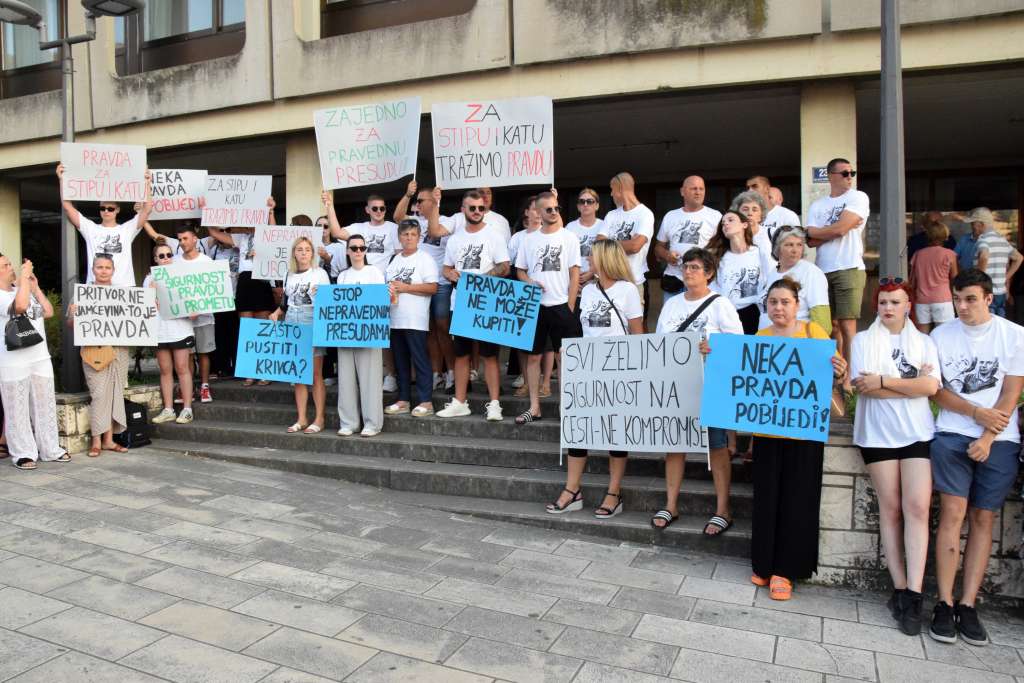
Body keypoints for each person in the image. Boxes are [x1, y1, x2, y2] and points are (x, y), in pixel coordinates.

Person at [928, 269, 1024, 646]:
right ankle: (943, 602)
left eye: (969, 299)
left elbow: (1011, 393)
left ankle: (968, 604)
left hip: (999, 439)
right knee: (952, 512)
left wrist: (987, 436)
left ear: (988, 297)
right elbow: (937, 391)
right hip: (952, 433)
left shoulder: (1013, 335)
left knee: (983, 517)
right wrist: (974, 415)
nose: (962, 306)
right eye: (957, 298)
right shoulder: (940, 335)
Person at [850, 279, 941, 635]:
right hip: (877, 436)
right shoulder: (862, 340)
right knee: (890, 510)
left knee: (916, 508)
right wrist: (910, 385)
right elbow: (866, 391)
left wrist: (884, 381)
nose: (888, 308)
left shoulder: (924, 342)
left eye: (896, 302)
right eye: (883, 301)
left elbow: (931, 389)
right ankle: (900, 588)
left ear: (908, 306)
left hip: (917, 434)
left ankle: (916, 594)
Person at [750, 278, 847, 600]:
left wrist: (840, 369)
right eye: (773, 302)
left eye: (785, 301)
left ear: (797, 304)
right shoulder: (758, 338)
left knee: (797, 499)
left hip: (803, 432)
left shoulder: (813, 334)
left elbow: (835, 375)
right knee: (767, 497)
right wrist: (715, 351)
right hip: (766, 432)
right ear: (767, 305)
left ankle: (785, 571)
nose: (778, 307)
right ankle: (764, 564)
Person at [546, 240, 643, 518]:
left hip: (618, 371)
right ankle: (572, 489)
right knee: (579, 427)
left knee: (616, 431)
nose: (589, 261)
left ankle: (614, 492)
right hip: (588, 370)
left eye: (593, 257)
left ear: (606, 260)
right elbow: (583, 330)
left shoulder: (627, 291)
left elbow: (637, 335)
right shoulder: (587, 291)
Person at [651, 248, 743, 531]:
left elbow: (738, 343)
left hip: (711, 384)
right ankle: (671, 504)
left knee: (716, 446)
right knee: (675, 446)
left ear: (709, 273)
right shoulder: (671, 305)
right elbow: (658, 343)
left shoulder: (720, 304)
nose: (688, 272)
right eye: (685, 267)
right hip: (678, 384)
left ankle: (723, 509)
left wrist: (714, 348)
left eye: (694, 267)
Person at [436, 190, 511, 420]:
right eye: (473, 208)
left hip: (486, 301)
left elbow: (505, 266)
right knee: (461, 354)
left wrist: (484, 277)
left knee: (489, 355)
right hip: (460, 302)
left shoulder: (494, 235)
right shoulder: (456, 238)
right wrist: (451, 275)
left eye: (481, 208)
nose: (478, 212)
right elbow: (446, 268)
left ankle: (495, 404)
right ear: (463, 210)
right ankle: (460, 401)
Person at [514, 191, 582, 425]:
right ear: (539, 213)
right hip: (536, 307)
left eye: (557, 208)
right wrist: (530, 282)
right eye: (549, 209)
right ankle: (534, 407)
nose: (554, 212)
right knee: (533, 357)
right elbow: (520, 270)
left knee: (566, 358)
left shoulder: (569, 237)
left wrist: (571, 306)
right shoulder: (528, 240)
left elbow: (575, 273)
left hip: (563, 305)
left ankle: (567, 407)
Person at [806, 158, 869, 388]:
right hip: (823, 269)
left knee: (847, 324)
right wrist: (836, 229)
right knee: (830, 325)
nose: (849, 176)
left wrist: (824, 231)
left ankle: (850, 377)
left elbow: (837, 229)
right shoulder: (817, 205)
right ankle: (836, 371)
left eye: (852, 172)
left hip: (848, 267)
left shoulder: (858, 197)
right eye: (844, 173)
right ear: (830, 175)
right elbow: (810, 239)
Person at [0, 256, 67, 470]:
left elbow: (47, 312)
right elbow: (19, 307)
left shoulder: (23, 289)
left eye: (10, 264)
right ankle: (23, 453)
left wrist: (34, 288)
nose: (11, 268)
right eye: (5, 266)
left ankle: (50, 449)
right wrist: (25, 275)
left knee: (45, 404)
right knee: (16, 408)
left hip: (39, 356)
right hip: (13, 359)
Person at [328, 193, 400, 391]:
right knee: (356, 333)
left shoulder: (393, 228)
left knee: (381, 334)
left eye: (382, 208)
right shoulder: (359, 228)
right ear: (367, 209)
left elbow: (401, 253)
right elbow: (336, 231)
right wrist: (329, 205)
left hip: (380, 285)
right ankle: (359, 378)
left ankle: (390, 374)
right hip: (355, 283)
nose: (379, 212)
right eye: (375, 208)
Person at [207, 197, 277, 387]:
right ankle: (250, 371)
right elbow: (213, 232)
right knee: (247, 330)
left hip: (261, 280)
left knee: (263, 329)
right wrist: (207, 209)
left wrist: (271, 211)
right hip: (245, 281)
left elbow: (275, 232)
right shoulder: (241, 238)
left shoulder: (266, 234)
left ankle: (265, 370)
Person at [394, 182, 456, 392]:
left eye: (421, 200)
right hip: (417, 284)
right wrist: (407, 194)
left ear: (433, 201)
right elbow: (397, 218)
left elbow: (436, 230)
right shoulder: (415, 222)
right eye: (417, 201)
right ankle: (437, 373)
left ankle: (452, 372)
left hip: (441, 284)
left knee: (442, 328)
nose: (417, 204)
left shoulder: (447, 221)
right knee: (428, 330)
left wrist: (436, 203)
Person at [67, 255, 130, 457]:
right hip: (94, 350)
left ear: (113, 270)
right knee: (99, 394)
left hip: (119, 349)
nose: (103, 271)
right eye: (99, 267)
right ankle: (96, 440)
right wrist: (75, 315)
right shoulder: (82, 294)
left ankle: (109, 440)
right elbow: (71, 325)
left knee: (114, 393)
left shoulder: (123, 293)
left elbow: (136, 321)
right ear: (93, 270)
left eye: (107, 267)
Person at [269, 236, 330, 434]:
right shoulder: (290, 274)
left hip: (311, 320)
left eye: (307, 250)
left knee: (315, 373)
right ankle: (302, 418)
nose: (303, 253)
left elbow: (329, 303)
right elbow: (286, 302)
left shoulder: (319, 274)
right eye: (300, 249)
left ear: (312, 254)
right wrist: (277, 313)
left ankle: (319, 418)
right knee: (298, 373)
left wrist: (318, 295)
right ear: (294, 253)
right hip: (292, 321)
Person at [57, 163, 152, 286]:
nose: (106, 211)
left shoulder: (127, 229)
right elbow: (68, 208)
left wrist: (147, 183)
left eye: (110, 208)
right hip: (96, 288)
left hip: (124, 288)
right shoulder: (90, 228)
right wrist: (62, 180)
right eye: (103, 208)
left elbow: (147, 209)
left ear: (117, 209)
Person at [384, 219, 439, 418]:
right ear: (399, 237)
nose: (409, 238)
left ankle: (426, 401)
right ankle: (403, 400)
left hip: (415, 319)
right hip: (394, 318)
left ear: (419, 237)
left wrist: (407, 288)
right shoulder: (394, 260)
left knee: (420, 359)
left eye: (413, 234)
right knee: (400, 361)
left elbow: (433, 287)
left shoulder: (425, 259)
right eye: (405, 234)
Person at [335, 235, 386, 437]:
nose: (358, 251)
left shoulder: (374, 272)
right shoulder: (342, 276)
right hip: (345, 332)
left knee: (370, 378)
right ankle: (348, 422)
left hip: (369, 332)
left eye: (361, 248)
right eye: (354, 248)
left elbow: (380, 301)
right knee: (345, 378)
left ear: (365, 251)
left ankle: (372, 423)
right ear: (347, 251)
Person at [147, 244, 197, 425]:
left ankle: (187, 408)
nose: (166, 258)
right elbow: (145, 308)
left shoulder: (183, 278)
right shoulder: (148, 280)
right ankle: (168, 408)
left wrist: (191, 309)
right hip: (160, 331)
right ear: (156, 260)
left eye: (169, 254)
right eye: (161, 256)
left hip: (180, 330)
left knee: (183, 368)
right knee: (165, 370)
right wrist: (151, 292)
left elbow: (194, 309)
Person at [706, 210, 774, 334]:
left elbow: (773, 277)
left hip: (757, 312)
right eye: (723, 223)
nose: (725, 224)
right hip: (729, 316)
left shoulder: (759, 252)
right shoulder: (718, 258)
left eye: (730, 220)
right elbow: (713, 289)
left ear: (744, 224)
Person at [654, 176, 721, 299]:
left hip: (703, 283)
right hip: (674, 282)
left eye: (701, 189)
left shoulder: (715, 216)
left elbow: (723, 248)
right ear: (682, 191)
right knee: (672, 318)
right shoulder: (671, 216)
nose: (698, 192)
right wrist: (667, 255)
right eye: (693, 188)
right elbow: (658, 248)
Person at [758, 226, 831, 333]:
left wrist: (816, 346)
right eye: (789, 245)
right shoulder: (772, 272)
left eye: (799, 245)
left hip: (796, 342)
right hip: (769, 341)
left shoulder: (811, 272)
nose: (795, 250)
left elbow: (821, 318)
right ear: (777, 248)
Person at [173, 225, 217, 403]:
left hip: (205, 316)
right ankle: (188, 389)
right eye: (179, 239)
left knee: (204, 352)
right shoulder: (174, 261)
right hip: (183, 319)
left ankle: (205, 387)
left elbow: (215, 288)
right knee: (188, 354)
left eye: (185, 238)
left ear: (194, 239)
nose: (182, 242)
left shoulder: (206, 261)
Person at [598, 173, 655, 304]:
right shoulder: (611, 215)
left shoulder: (645, 214)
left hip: (633, 284)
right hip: (609, 283)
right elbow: (598, 245)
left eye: (612, 189)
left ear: (620, 188)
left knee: (633, 324)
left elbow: (635, 247)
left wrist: (608, 244)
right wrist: (628, 244)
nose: (611, 194)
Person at [971, 207, 1022, 318]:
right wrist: (1006, 277)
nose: (972, 227)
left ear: (981, 224)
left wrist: (979, 279)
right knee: (999, 326)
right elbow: (1019, 258)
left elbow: (984, 256)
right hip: (1001, 293)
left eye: (973, 224)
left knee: (987, 326)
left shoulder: (983, 239)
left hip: (987, 292)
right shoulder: (1002, 239)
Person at [909, 222, 958, 333]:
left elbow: (913, 281)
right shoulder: (949, 254)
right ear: (945, 236)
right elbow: (955, 278)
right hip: (943, 299)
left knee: (922, 336)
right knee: (944, 335)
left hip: (922, 299)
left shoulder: (918, 254)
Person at [565, 188, 605, 288]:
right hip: (574, 280)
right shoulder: (570, 227)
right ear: (578, 206)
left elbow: (608, 255)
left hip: (599, 281)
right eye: (582, 202)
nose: (585, 204)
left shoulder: (604, 226)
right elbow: (564, 256)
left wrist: (592, 272)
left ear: (597, 205)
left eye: (590, 201)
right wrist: (572, 279)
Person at [730, 190, 773, 257]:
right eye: (745, 209)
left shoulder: (772, 234)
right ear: (737, 214)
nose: (750, 213)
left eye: (754, 210)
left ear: (761, 215)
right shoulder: (731, 236)